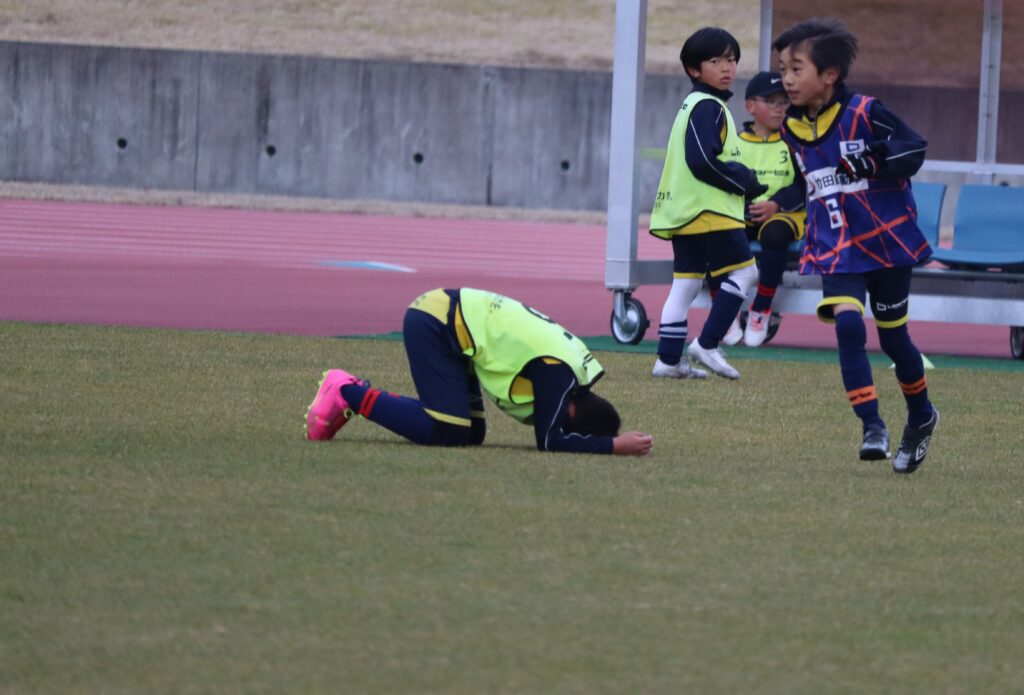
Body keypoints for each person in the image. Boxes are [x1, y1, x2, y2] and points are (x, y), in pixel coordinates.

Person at [773, 18, 939, 473]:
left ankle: (922, 416)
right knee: (848, 326)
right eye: (783, 70)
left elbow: (913, 149)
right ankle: (872, 427)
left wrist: (873, 160)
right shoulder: (790, 128)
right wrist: (780, 202)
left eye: (797, 69)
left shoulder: (866, 112)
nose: (787, 79)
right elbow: (807, 181)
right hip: (836, 246)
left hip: (887, 244)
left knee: (894, 340)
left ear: (830, 74)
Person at [304, 287, 654, 456]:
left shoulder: (570, 372)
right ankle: (347, 392)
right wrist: (614, 446)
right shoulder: (558, 375)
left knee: (469, 434)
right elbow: (550, 441)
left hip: (450, 325)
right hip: (436, 322)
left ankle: (355, 393)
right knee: (448, 431)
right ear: (573, 412)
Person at [649, 27, 767, 381]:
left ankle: (667, 361)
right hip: (708, 211)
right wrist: (744, 180)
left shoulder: (694, 104)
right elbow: (701, 161)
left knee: (685, 284)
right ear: (694, 69)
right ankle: (708, 343)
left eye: (731, 59)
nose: (726, 67)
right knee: (746, 273)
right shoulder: (709, 106)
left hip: (684, 212)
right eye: (715, 61)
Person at [719, 71, 807, 348]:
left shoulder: (795, 142)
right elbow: (724, 181)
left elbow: (804, 185)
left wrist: (776, 203)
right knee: (715, 234)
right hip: (743, 212)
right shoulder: (734, 142)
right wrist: (744, 206)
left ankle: (761, 309)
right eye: (771, 102)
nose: (780, 108)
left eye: (784, 102)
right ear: (750, 106)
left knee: (775, 235)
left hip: (782, 214)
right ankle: (723, 313)